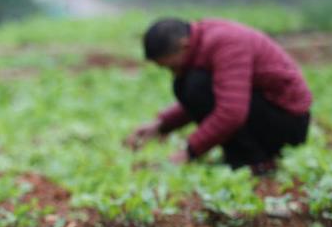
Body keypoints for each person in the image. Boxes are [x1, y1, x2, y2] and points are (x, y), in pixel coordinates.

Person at [126, 18, 312, 175]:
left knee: (194, 84)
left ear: (184, 45)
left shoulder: (226, 43)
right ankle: (243, 158)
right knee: (187, 84)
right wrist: (162, 124)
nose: (173, 72)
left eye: (171, 66)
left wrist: (188, 152)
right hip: (267, 110)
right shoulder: (202, 40)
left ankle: (256, 162)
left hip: (289, 121)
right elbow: (216, 95)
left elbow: (231, 111)